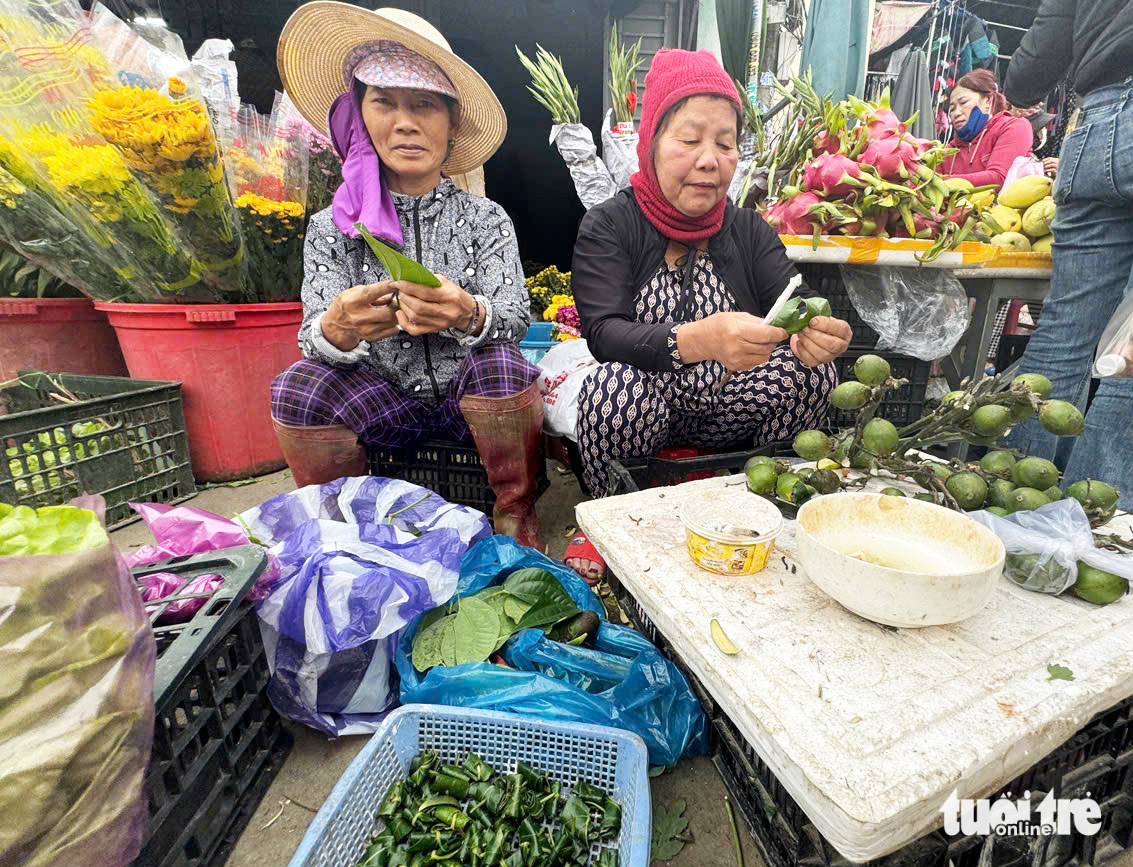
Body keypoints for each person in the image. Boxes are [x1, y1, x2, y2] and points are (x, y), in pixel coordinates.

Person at [564, 49, 852, 582]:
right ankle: (609, 517)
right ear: (650, 143)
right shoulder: (610, 225)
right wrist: (699, 339)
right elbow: (604, 333)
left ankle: (766, 500)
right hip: (644, 411)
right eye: (689, 139)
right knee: (612, 388)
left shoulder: (748, 230)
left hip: (728, 406)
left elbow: (797, 301)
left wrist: (820, 333)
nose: (709, 159)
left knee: (812, 373)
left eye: (725, 143)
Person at [270, 4, 543, 549]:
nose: (406, 122)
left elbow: (515, 318)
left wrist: (468, 312)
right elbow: (310, 338)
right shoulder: (332, 228)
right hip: (381, 401)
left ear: (450, 120)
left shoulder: (485, 219)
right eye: (384, 103)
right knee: (297, 388)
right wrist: (340, 328)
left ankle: (514, 517)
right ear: (360, 115)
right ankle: (339, 532)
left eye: (424, 105)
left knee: (504, 367)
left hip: (470, 407)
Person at [1001, 0, 1133, 502]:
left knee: (1063, 337)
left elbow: (1029, 71)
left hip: (1098, 129)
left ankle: (1015, 510)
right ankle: (1100, 539)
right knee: (1128, 363)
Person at [939, 69, 1034, 187]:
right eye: (952, 109)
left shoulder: (1014, 127)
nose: (956, 113)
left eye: (963, 102)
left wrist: (941, 182)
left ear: (988, 101)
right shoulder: (949, 151)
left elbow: (998, 179)